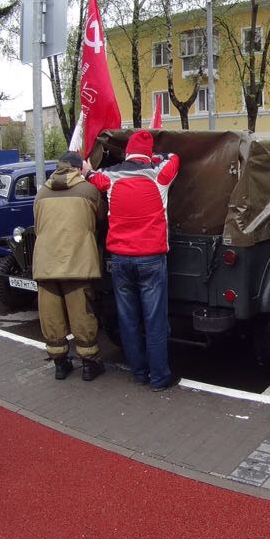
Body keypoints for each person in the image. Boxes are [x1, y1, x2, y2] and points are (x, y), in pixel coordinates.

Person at [86, 130, 181, 391]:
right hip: (151, 258)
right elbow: (174, 157)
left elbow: (91, 176)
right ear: (147, 155)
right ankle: (159, 377)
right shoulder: (158, 174)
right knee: (154, 320)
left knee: (128, 320)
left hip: (120, 259)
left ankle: (139, 373)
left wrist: (87, 168)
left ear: (127, 152)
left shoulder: (110, 176)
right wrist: (155, 156)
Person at [34, 151, 105, 381]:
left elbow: (38, 225)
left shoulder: (41, 193)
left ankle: (60, 364)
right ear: (78, 168)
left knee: (51, 316)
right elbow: (100, 220)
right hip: (78, 262)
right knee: (82, 314)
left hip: (46, 263)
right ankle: (89, 365)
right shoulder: (89, 191)